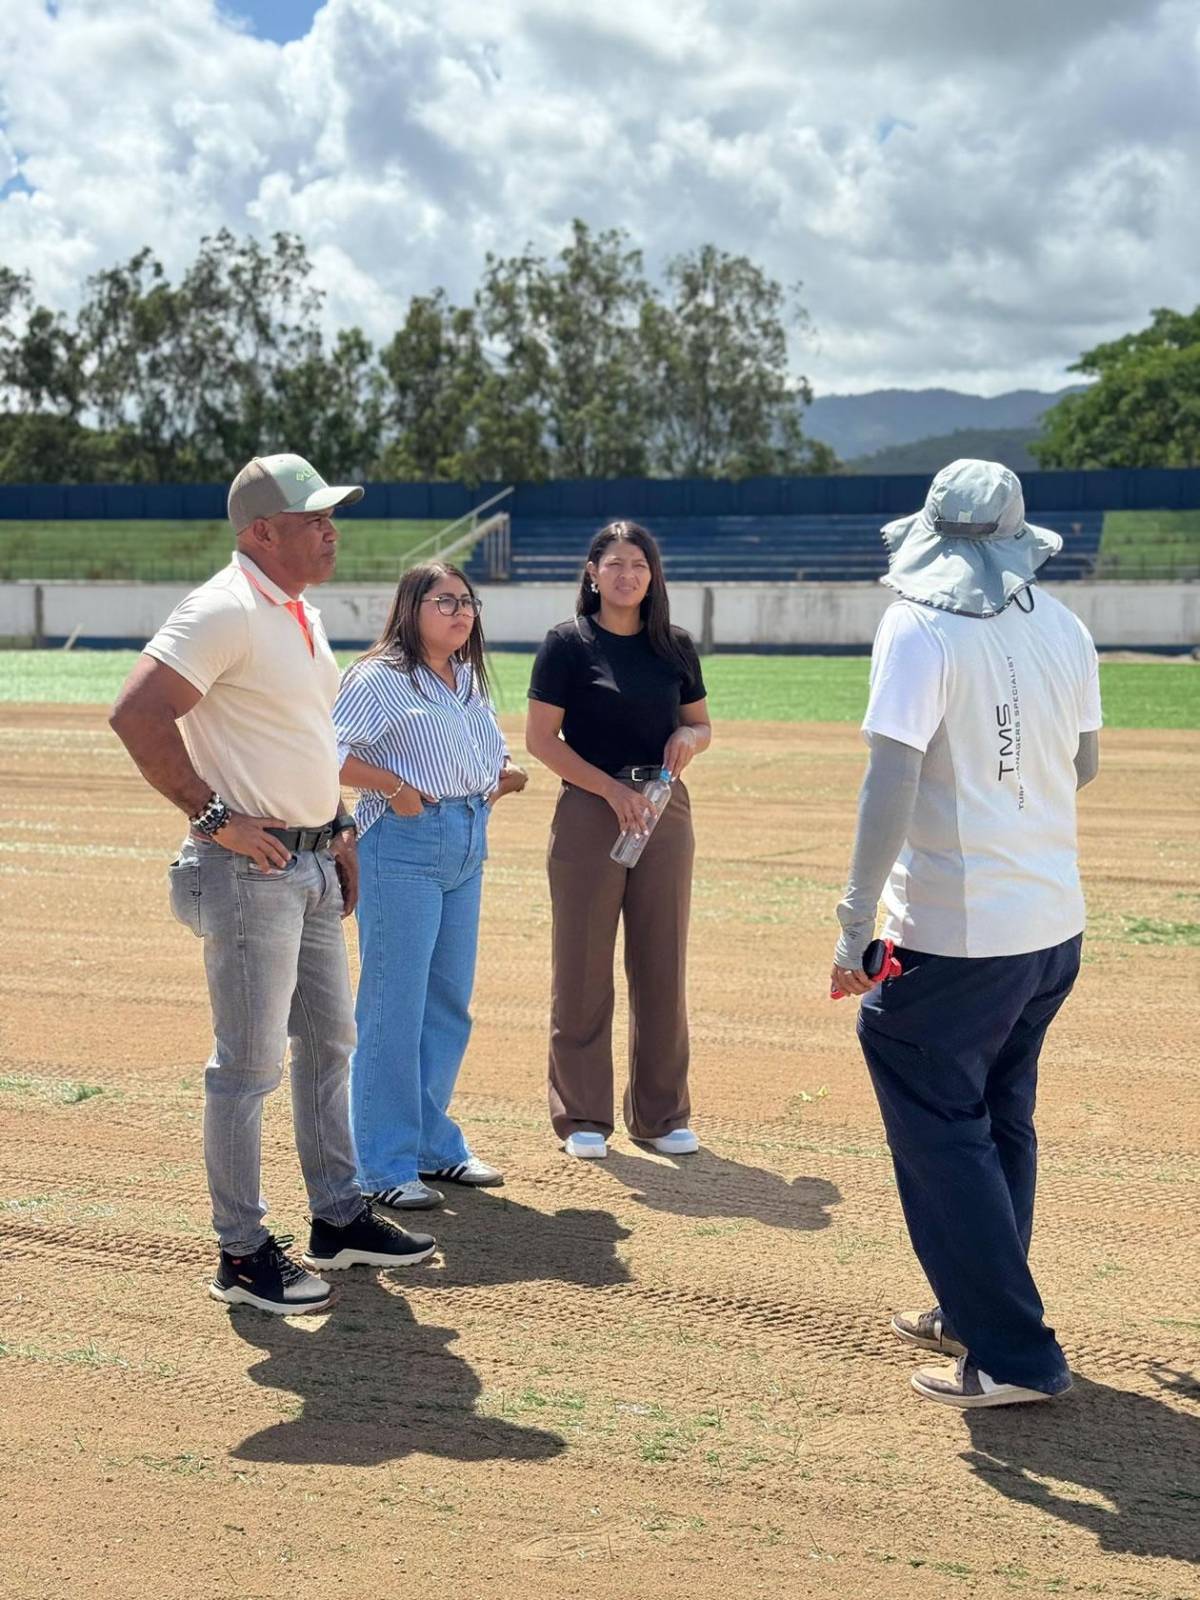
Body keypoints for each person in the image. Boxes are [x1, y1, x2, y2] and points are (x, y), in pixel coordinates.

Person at [109, 453, 437, 1316]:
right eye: (313, 519)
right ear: (262, 531)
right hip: (248, 871)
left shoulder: (296, 611)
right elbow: (136, 713)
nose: (331, 531)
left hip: (310, 861)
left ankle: (338, 1217)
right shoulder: (224, 608)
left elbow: (302, 736)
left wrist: (337, 824)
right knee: (247, 1068)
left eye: (332, 517)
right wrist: (213, 816)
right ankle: (242, 1252)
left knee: (330, 1046)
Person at [831, 458, 1102, 1408]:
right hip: (1050, 925)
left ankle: (1012, 1352)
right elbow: (1084, 764)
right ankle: (976, 1307)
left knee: (938, 1119)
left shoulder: (917, 625)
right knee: (999, 1115)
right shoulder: (1064, 626)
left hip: (957, 929)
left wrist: (855, 922)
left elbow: (891, 781)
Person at [332, 563, 527, 1211]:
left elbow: (488, 748)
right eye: (445, 601)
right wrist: (394, 786)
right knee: (394, 1006)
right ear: (410, 607)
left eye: (467, 602)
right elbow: (328, 752)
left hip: (466, 838)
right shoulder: (377, 678)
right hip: (403, 843)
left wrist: (503, 773)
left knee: (446, 1004)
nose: (461, 612)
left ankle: (428, 1145)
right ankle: (381, 1163)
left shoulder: (465, 677)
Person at [525, 520, 712, 1160]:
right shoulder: (567, 645)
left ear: (653, 576)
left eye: (639, 564)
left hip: (663, 811)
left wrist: (689, 738)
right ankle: (581, 1115)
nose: (627, 575)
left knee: (663, 963)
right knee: (581, 966)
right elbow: (541, 740)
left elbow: (701, 725)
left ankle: (661, 1115)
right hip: (591, 810)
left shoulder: (675, 646)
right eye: (615, 564)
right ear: (592, 573)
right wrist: (610, 791)